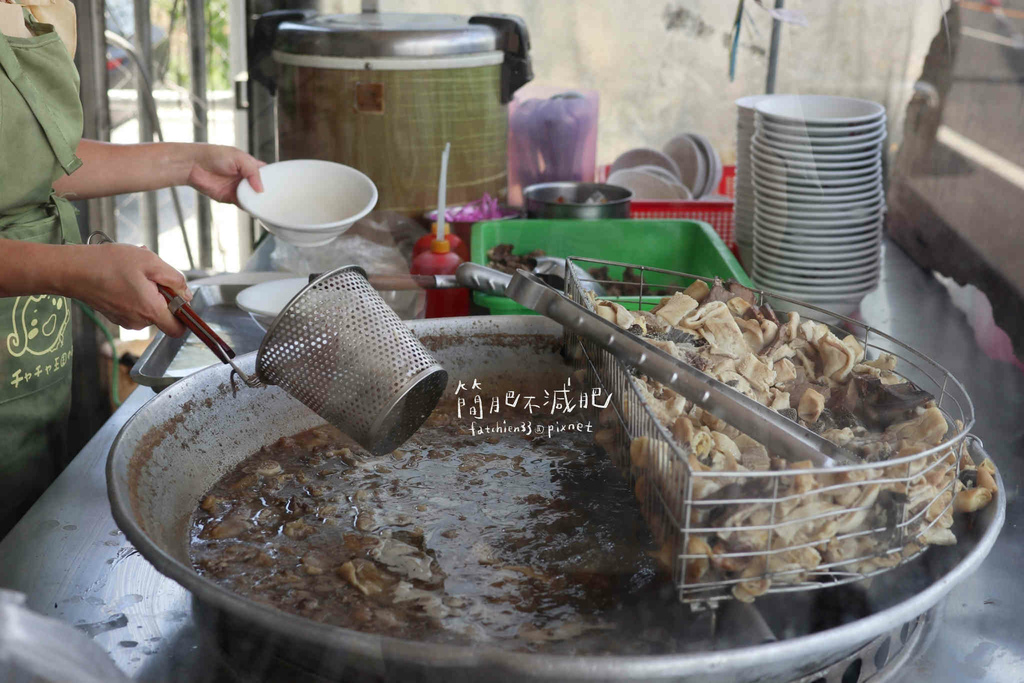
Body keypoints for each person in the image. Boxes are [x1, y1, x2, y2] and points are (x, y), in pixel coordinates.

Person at [0, 0, 264, 535]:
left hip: (28, 372)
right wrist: (71, 271)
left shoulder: (37, 7)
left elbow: (27, 163)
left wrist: (186, 163)